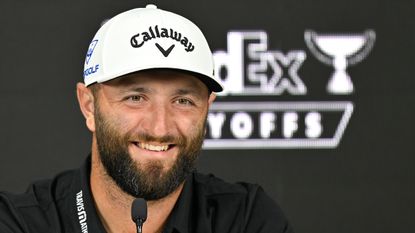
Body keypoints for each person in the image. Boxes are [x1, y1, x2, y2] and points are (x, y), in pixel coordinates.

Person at [0, 4, 294, 233]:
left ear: (207, 107)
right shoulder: (22, 222)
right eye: (135, 98)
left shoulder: (245, 220)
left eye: (183, 101)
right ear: (89, 105)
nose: (159, 128)